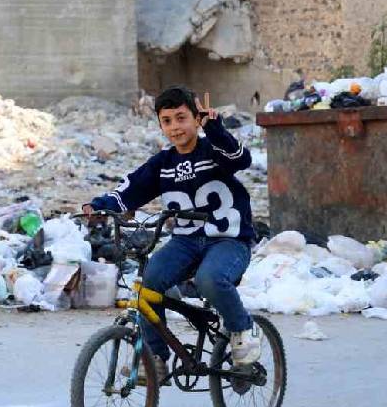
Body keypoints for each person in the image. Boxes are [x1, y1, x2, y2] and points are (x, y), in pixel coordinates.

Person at [82, 86, 259, 384]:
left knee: (210, 279)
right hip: (186, 242)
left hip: (229, 239)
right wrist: (99, 206)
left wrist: (213, 127)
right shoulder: (163, 164)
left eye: (181, 118)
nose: (175, 127)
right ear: (161, 125)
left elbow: (240, 159)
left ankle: (242, 329)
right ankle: (155, 360)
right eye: (167, 121)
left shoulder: (213, 150)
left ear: (195, 118)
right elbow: (130, 189)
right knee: (148, 285)